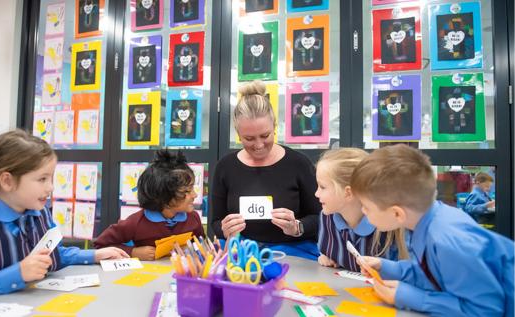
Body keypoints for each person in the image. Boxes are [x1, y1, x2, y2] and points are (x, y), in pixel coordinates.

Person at [0, 130, 128, 306]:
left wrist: (94, 255)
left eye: (51, 178)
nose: (51, 188)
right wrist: (16, 274)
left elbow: (53, 254)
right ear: (7, 181)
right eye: (42, 179)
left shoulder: (40, 213)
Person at [350, 144, 514, 316]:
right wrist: (385, 267)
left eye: (366, 206)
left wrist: (414, 298)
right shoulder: (426, 221)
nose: (363, 211)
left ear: (397, 213)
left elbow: (486, 311)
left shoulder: (446, 240)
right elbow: (431, 273)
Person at [209, 80, 321, 260]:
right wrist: (225, 229)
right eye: (249, 138)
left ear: (275, 127)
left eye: (265, 135)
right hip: (242, 252)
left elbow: (320, 217)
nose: (259, 145)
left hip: (293, 253)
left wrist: (297, 227)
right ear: (238, 134)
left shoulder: (298, 163)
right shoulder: (225, 167)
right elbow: (215, 222)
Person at [94, 150, 204, 261]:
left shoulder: (193, 219)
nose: (195, 195)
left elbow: (201, 245)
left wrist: (191, 249)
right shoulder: (136, 223)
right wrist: (132, 252)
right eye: (187, 191)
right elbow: (100, 245)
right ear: (164, 197)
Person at [315, 148, 408, 272]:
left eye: (322, 187)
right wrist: (327, 257)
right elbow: (330, 254)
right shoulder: (327, 216)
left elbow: (412, 273)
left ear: (348, 193)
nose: (316, 193)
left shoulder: (390, 225)